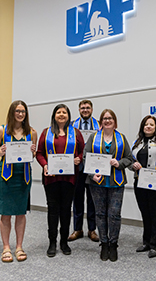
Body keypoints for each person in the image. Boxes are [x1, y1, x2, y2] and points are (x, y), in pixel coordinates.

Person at [0, 100, 37, 263]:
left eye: (23, 111)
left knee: (20, 212)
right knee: (6, 213)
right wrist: (1, 151)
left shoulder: (31, 132)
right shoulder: (1, 130)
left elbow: (32, 156)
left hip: (23, 177)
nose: (20, 114)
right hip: (6, 177)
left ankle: (19, 247)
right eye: (17, 111)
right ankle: (6, 248)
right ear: (12, 112)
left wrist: (33, 152)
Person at [84, 109, 132, 262]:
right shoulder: (93, 137)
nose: (107, 120)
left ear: (114, 121)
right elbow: (86, 156)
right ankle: (104, 243)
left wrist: (120, 163)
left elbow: (129, 158)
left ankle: (113, 243)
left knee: (114, 214)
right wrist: (92, 174)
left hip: (116, 182)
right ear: (101, 121)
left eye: (110, 118)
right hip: (97, 182)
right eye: (104, 118)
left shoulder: (121, 138)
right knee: (100, 214)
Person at [36, 104, 84, 257]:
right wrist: (44, 165)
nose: (62, 115)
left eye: (64, 112)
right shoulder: (46, 132)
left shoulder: (75, 133)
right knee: (52, 210)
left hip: (70, 178)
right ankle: (52, 242)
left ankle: (64, 241)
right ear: (54, 115)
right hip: (51, 178)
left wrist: (79, 158)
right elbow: (39, 153)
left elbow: (83, 150)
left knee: (65, 209)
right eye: (59, 112)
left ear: (68, 115)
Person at [130, 115, 156, 258]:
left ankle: (155, 245)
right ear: (142, 127)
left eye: (151, 125)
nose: (148, 126)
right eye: (146, 124)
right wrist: (132, 165)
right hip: (140, 183)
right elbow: (130, 161)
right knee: (145, 213)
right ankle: (146, 242)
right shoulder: (136, 143)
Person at [68, 100, 100, 242]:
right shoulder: (72, 125)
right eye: (83, 108)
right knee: (78, 199)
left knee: (92, 200)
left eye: (88, 108)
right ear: (79, 109)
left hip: (93, 167)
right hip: (78, 167)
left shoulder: (99, 125)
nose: (85, 110)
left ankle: (92, 229)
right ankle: (77, 229)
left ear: (92, 109)